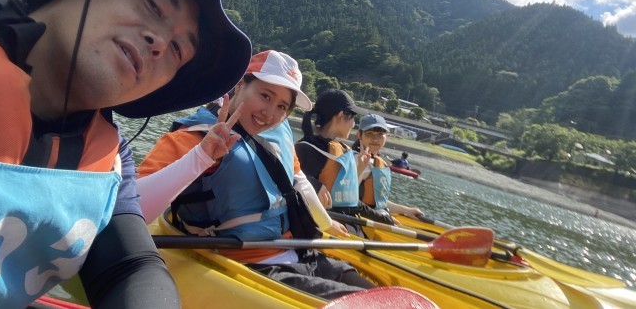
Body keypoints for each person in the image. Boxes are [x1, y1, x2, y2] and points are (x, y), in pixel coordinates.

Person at [0, 0, 252, 308]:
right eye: (152, 5)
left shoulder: (110, 160)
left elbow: (130, 266)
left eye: (177, 49)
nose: (158, 42)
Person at [137, 50, 375, 300]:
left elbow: (299, 180)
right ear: (240, 85)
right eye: (265, 95)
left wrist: (326, 223)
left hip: (303, 253)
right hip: (256, 266)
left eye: (282, 106)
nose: (269, 113)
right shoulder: (195, 137)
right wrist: (201, 157)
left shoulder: (278, 134)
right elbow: (131, 210)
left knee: (385, 298)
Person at [294, 89, 386, 233]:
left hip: (348, 228)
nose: (354, 124)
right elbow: (289, 183)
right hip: (325, 232)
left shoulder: (342, 150)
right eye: (353, 118)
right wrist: (313, 184)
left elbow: (348, 199)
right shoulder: (307, 149)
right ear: (341, 116)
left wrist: (384, 218)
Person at [354, 115, 423, 220]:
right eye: (369, 134)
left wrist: (405, 210)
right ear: (359, 135)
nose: (375, 139)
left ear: (387, 136)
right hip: (357, 218)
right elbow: (348, 196)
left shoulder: (376, 161)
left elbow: (379, 201)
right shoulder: (355, 159)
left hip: (372, 215)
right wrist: (382, 218)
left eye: (380, 134)